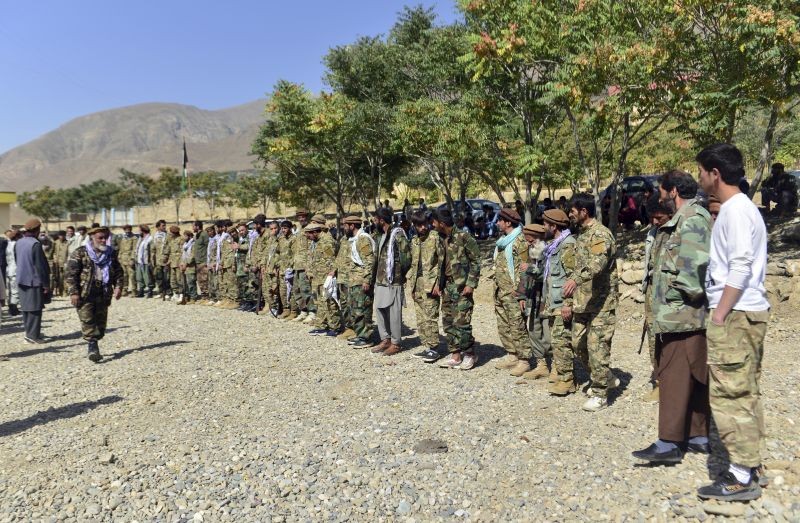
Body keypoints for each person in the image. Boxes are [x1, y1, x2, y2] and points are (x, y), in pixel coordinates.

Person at [696, 143, 770, 502]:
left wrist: (720, 313)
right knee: (745, 389)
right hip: (745, 311)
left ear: (715, 173)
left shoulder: (735, 211)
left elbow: (739, 265)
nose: (699, 178)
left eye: (701, 171)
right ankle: (751, 464)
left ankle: (740, 475)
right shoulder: (740, 209)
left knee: (730, 394)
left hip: (737, 313)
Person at [633, 169, 712, 466]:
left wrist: (670, 304)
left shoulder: (691, 220)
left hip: (682, 316)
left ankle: (668, 443)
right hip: (684, 316)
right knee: (693, 376)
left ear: (673, 192)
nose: (659, 197)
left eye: (662, 191)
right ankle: (697, 436)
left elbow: (693, 276)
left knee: (674, 375)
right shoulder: (686, 219)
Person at [562, 193, 619, 412]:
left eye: (573, 211)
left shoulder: (600, 235)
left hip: (601, 303)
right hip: (583, 302)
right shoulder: (581, 236)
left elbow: (598, 263)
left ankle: (600, 393)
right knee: (578, 344)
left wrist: (575, 279)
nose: (570, 215)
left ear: (584, 212)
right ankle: (605, 376)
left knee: (597, 346)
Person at [66, 226, 123, 362]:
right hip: (85, 293)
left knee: (100, 324)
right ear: (92, 238)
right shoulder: (80, 253)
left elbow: (118, 272)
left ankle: (95, 341)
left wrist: (119, 287)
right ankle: (92, 347)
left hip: (103, 292)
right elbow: (70, 274)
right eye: (100, 238)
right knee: (87, 320)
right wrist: (74, 293)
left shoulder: (110, 253)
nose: (103, 240)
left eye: (105, 238)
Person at [434, 209, 481, 370]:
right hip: (446, 286)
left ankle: (470, 354)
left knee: (462, 322)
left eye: (434, 222)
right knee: (448, 321)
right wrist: (439, 284)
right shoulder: (441, 239)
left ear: (441, 223)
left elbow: (476, 261)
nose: (432, 225)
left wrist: (471, 284)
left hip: (461, 286)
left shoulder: (464, 237)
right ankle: (455, 354)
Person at [640, 195, 674, 402]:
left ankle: (668, 382)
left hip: (669, 293)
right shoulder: (654, 232)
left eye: (658, 217)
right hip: (652, 289)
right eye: (652, 217)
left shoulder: (678, 232)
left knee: (667, 338)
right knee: (653, 334)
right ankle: (659, 377)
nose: (654, 221)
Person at [491, 209, 532, 377]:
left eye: (500, 220)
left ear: (508, 223)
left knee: (518, 326)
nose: (497, 223)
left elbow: (525, 269)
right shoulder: (502, 241)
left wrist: (522, 293)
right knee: (504, 324)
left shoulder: (520, 241)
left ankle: (524, 360)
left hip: (514, 292)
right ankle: (512, 354)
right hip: (501, 290)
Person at [370, 207, 411, 356]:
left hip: (394, 280)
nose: (374, 223)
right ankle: (385, 339)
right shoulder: (380, 235)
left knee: (394, 313)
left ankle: (395, 343)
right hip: (380, 280)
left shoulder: (398, 234)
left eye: (375, 220)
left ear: (381, 220)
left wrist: (400, 274)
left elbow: (406, 259)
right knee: (380, 310)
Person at [516, 222, 552, 380]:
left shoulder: (550, 251)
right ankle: (541, 364)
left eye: (531, 241)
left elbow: (547, 273)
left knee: (549, 332)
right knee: (533, 329)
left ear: (539, 239)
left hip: (546, 298)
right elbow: (524, 276)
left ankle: (557, 365)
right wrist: (522, 295)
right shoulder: (530, 252)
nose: (529, 244)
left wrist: (530, 269)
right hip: (532, 297)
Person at [408, 210, 445, 362]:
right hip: (417, 284)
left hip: (431, 284)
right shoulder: (415, 240)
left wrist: (439, 283)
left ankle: (435, 348)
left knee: (430, 317)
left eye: (424, 224)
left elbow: (442, 261)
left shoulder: (435, 237)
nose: (423, 227)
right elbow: (414, 263)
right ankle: (428, 346)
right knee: (421, 317)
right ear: (414, 226)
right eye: (419, 225)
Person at [14, 219, 51, 343]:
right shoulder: (35, 243)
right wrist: (45, 284)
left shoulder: (19, 242)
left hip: (21, 279)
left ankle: (30, 333)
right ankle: (33, 336)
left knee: (26, 308)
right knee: (35, 309)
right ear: (37, 230)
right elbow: (40, 266)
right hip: (33, 281)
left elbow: (16, 260)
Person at [343, 215, 376, 349]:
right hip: (354, 281)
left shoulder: (363, 239)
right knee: (355, 309)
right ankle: (360, 334)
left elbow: (369, 261)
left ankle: (366, 337)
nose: (344, 228)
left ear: (352, 226)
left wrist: (367, 280)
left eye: (346, 225)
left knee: (362, 310)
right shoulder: (353, 239)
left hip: (361, 280)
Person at [305, 222, 340, 336]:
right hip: (318, 276)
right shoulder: (316, 242)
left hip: (326, 277)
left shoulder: (326, 242)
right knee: (320, 302)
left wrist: (331, 274)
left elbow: (332, 259)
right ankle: (322, 325)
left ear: (315, 232)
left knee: (330, 302)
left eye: (309, 234)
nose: (307, 237)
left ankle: (335, 326)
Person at [291, 209, 315, 323]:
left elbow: (311, 248)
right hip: (297, 264)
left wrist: (309, 265)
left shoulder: (310, 229)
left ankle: (312, 312)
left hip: (305, 265)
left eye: (303, 217)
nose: (301, 219)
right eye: (299, 217)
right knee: (297, 290)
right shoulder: (299, 230)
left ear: (307, 217)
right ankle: (303, 310)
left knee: (306, 290)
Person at [116, 225, 137, 296]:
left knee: (132, 275)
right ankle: (125, 289)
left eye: (129, 230)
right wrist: (119, 257)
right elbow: (121, 248)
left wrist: (132, 259)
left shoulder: (134, 238)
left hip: (129, 258)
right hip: (123, 259)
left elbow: (134, 250)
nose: (127, 231)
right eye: (126, 230)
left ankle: (134, 290)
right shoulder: (123, 238)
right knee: (124, 275)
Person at [134, 224, 154, 298]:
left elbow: (151, 251)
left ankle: (150, 290)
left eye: (139, 230)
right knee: (139, 277)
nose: (139, 232)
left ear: (143, 231)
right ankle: (141, 290)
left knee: (147, 277)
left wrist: (151, 261)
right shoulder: (140, 239)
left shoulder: (150, 239)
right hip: (139, 261)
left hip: (146, 261)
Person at [178, 230, 197, 304]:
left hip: (190, 266)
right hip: (184, 266)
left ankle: (193, 297)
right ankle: (187, 297)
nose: (184, 237)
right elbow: (183, 255)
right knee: (184, 283)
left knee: (191, 282)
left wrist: (186, 264)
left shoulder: (193, 244)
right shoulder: (185, 244)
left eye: (186, 236)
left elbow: (192, 256)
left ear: (189, 236)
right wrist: (181, 263)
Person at [4, 229, 20, 316]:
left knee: (10, 290)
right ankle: (13, 308)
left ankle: (11, 306)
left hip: (8, 269)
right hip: (14, 269)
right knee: (15, 290)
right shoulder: (16, 245)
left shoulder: (7, 245)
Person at [152, 220, 169, 297]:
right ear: (158, 227)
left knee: (167, 277)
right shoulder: (155, 236)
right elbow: (153, 248)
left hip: (165, 259)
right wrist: (152, 259)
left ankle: (168, 292)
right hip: (157, 259)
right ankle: (161, 291)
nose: (164, 227)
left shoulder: (167, 235)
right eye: (163, 225)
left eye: (165, 225)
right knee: (158, 276)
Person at [193, 221, 209, 301]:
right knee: (200, 280)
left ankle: (207, 297)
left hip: (203, 261)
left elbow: (208, 247)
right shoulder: (197, 235)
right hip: (198, 262)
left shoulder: (204, 235)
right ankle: (203, 296)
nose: (192, 228)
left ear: (197, 227)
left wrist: (206, 261)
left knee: (205, 279)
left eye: (193, 226)